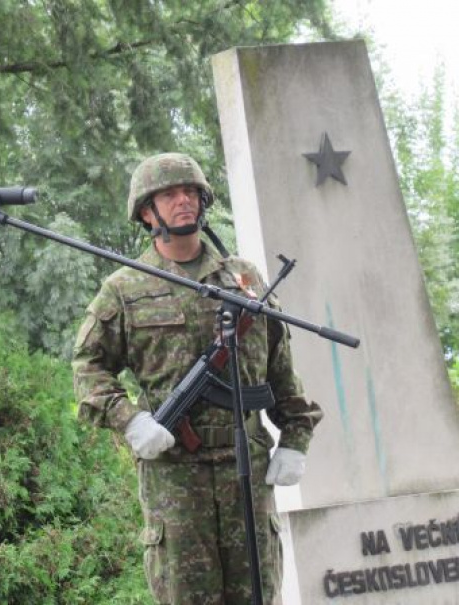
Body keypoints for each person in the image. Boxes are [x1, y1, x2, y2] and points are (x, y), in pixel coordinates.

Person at [72, 152, 323, 605]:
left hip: (247, 471)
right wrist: (130, 419)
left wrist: (295, 437)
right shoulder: (126, 288)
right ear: (147, 212)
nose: (183, 200)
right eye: (169, 194)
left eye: (190, 192)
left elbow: (278, 363)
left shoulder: (243, 278)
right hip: (176, 479)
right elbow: (88, 367)